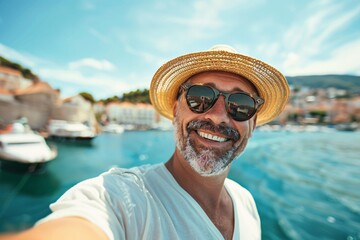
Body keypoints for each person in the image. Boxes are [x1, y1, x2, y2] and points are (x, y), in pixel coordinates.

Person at [0, 45, 289, 240]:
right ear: (176, 109)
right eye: (201, 97)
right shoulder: (120, 199)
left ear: (252, 122)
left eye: (240, 105)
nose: (218, 116)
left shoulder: (246, 203)